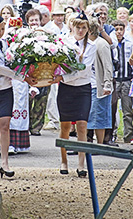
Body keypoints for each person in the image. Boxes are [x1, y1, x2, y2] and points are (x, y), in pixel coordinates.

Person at [0, 13, 36, 177]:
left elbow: (14, 62)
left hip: (5, 90)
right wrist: (24, 77)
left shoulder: (5, 44)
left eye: (2, 29)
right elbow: (2, 68)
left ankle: (5, 162)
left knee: (5, 126)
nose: (0, 32)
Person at [49, 12, 96, 177]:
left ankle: (81, 163)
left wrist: (63, 76)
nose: (81, 30)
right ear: (72, 27)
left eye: (84, 27)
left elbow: (84, 70)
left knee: (82, 125)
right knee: (65, 126)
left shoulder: (91, 46)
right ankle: (64, 160)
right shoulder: (64, 42)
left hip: (83, 89)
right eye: (78, 27)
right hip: (66, 89)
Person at [87, 17, 113, 144]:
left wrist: (107, 84)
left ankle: (100, 143)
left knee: (99, 116)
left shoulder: (101, 44)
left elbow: (108, 66)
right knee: (89, 115)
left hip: (99, 86)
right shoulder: (85, 43)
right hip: (86, 84)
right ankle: (87, 142)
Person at [110, 20, 133, 144]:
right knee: (112, 108)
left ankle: (128, 135)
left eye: (121, 29)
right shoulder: (110, 43)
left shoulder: (129, 43)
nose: (119, 32)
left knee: (127, 109)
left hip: (126, 79)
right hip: (114, 79)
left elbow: (132, 61)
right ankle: (111, 134)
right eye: (116, 29)